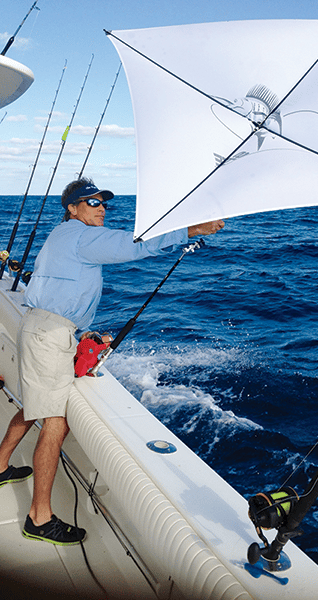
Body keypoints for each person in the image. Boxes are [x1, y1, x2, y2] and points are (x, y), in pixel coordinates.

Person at [0, 177, 224, 545]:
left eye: (103, 203)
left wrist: (78, 334)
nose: (101, 207)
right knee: (55, 422)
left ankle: (1, 465)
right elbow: (134, 246)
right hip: (48, 336)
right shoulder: (81, 236)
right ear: (72, 208)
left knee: (33, 404)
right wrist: (192, 228)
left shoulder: (63, 235)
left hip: (46, 328)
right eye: (91, 203)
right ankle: (39, 518)